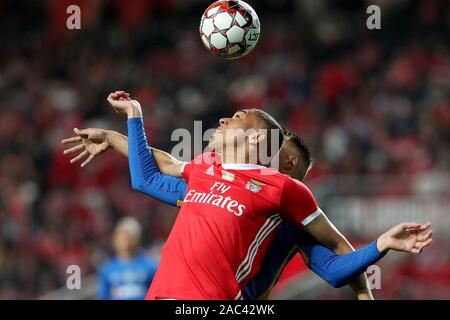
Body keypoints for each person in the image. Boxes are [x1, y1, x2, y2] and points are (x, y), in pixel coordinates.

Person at [64, 91, 432, 300]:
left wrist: (379, 247)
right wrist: (124, 127)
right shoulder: (207, 171)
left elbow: (337, 262)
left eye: (236, 118)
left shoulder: (285, 201)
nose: (224, 120)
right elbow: (154, 173)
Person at [97, 217, 158, 300]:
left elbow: (157, 294)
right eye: (121, 235)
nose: (124, 239)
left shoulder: (149, 266)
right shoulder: (107, 269)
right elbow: (103, 296)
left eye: (128, 236)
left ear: (136, 238)